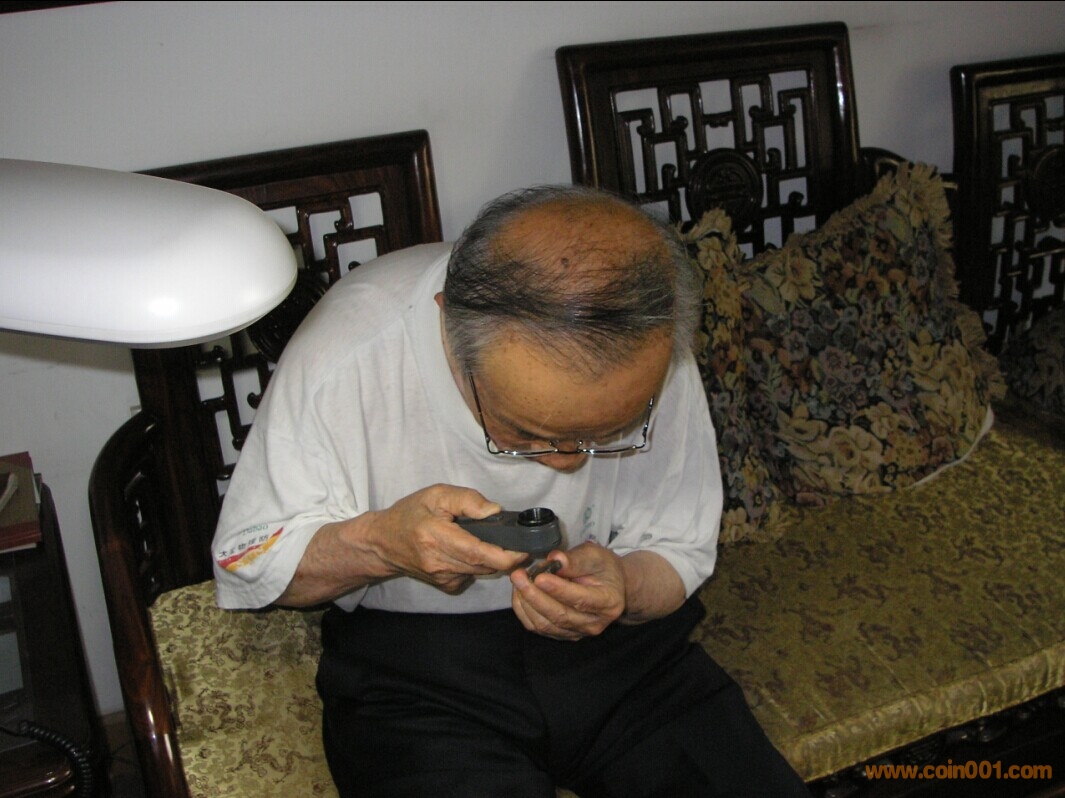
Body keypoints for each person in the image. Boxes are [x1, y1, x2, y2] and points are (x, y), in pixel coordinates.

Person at [211, 185, 810, 797]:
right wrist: (381, 545)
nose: (569, 464)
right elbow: (249, 562)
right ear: (448, 326)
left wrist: (623, 588)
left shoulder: (648, 339)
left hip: (621, 656)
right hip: (417, 677)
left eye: (608, 432)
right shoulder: (347, 351)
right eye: (528, 433)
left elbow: (678, 549)